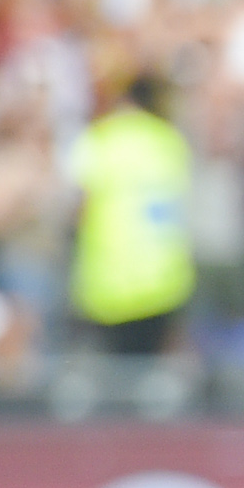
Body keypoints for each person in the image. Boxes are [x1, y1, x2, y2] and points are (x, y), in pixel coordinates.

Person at [64, 73, 196, 357]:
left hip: (108, 284)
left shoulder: (99, 139)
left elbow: (78, 207)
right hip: (162, 281)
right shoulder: (168, 139)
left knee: (116, 381)